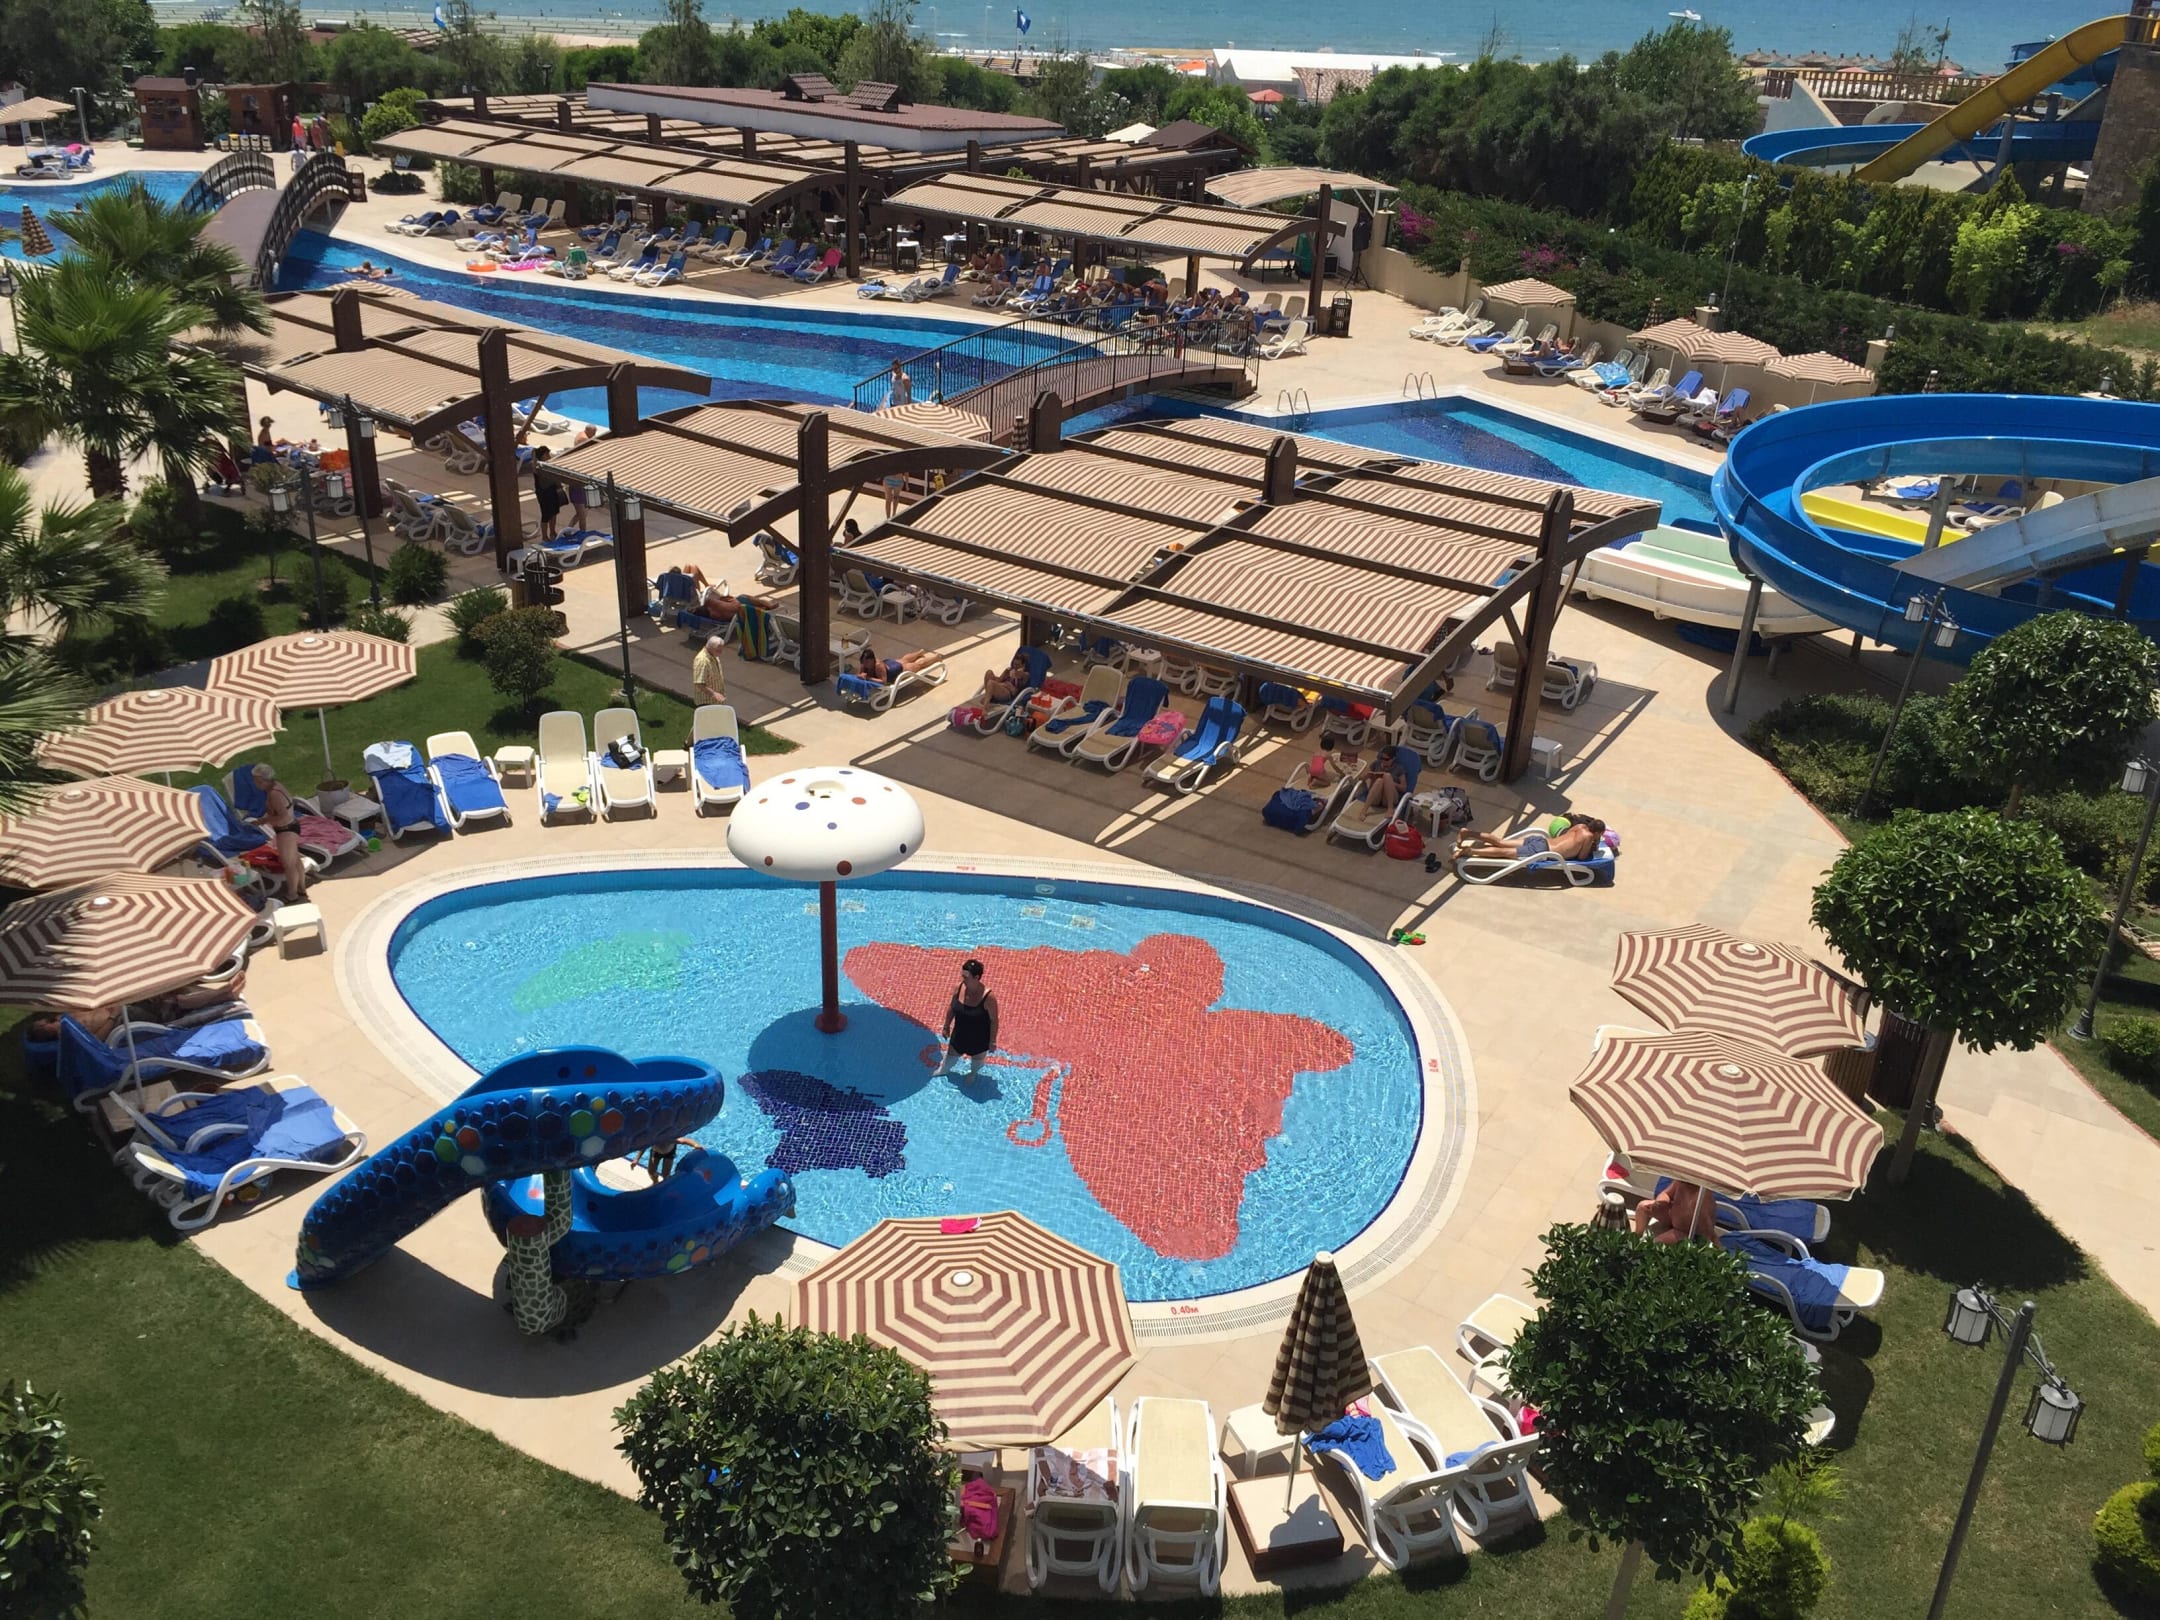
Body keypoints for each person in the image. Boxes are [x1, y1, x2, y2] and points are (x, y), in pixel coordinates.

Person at [248, 764, 306, 904]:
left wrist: (264, 821)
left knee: (289, 864)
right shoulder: (277, 786)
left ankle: (292, 894)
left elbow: (282, 815)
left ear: (264, 780)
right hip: (292, 826)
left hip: (286, 830)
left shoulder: (274, 794)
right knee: (295, 859)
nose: (255, 784)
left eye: (258, 781)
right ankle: (301, 888)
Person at [1454, 812, 1607, 863]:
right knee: (1505, 852)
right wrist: (1593, 844)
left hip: (1542, 841)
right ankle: (1471, 851)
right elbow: (1581, 857)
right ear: (1597, 833)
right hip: (1542, 851)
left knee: (1501, 842)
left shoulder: (1580, 827)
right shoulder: (1588, 837)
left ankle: (1468, 833)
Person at [937, 958, 999, 1079]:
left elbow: (994, 1020)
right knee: (949, 1060)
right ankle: (942, 1070)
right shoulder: (959, 987)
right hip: (959, 1034)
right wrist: (946, 1026)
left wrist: (992, 1041)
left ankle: (972, 1074)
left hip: (979, 1038)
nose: (963, 979)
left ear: (976, 977)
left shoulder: (988, 997)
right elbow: (952, 1007)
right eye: (962, 976)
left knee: (976, 1064)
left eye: (966, 977)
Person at [1632, 1178, 1711, 1243]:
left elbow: (1707, 1226)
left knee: (1658, 1241)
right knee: (1642, 1207)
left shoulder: (1702, 1195)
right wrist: (1660, 1203)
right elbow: (1666, 1193)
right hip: (1672, 1214)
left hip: (1685, 1230)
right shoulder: (1680, 1182)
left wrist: (1712, 1240)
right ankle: (1637, 1234)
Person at [857, 643, 942, 686]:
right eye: (864, 662)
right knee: (903, 659)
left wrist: (868, 678)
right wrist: (860, 675)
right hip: (888, 663)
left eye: (867, 662)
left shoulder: (878, 666)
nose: (865, 664)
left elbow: (883, 681)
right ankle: (919, 653)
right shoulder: (864, 663)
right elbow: (859, 674)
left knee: (918, 665)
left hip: (895, 670)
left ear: (872, 660)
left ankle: (936, 657)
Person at [530, 445, 566, 540]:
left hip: (552, 490)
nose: (549, 456)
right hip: (544, 493)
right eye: (547, 454)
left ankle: (552, 531)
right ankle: (545, 536)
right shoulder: (538, 466)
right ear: (543, 455)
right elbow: (534, 462)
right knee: (546, 515)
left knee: (554, 513)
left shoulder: (548, 465)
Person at [692, 634, 727, 705]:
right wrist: (714, 694)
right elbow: (699, 683)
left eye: (721, 650)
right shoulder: (702, 661)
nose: (720, 653)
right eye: (718, 651)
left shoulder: (713, 654)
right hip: (706, 702)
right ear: (711, 647)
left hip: (716, 701)